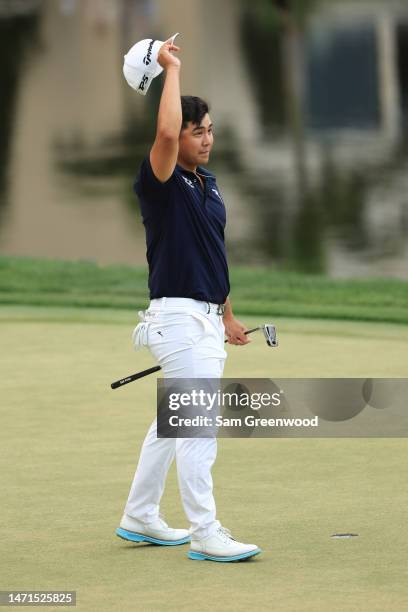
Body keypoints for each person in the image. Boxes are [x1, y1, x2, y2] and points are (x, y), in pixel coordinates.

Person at [116, 37, 261, 562]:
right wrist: (169, 67)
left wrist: (226, 314)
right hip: (175, 320)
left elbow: (211, 251)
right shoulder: (160, 181)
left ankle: (140, 515)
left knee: (172, 421)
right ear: (177, 138)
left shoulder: (208, 184)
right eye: (197, 132)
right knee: (197, 424)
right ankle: (206, 533)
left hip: (203, 318)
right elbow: (161, 130)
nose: (207, 139)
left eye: (210, 130)